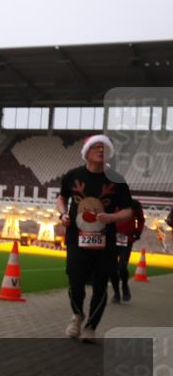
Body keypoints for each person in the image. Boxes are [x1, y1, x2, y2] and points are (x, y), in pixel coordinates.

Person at [57, 134, 133, 343]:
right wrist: (63, 215)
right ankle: (77, 315)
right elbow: (62, 198)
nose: (101, 150)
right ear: (87, 152)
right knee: (75, 280)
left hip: (105, 242)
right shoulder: (72, 175)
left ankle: (91, 326)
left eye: (104, 147)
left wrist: (111, 217)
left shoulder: (117, 180)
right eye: (96, 147)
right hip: (76, 239)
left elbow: (128, 211)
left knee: (100, 284)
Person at [111, 198, 145, 303]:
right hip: (111, 238)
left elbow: (141, 219)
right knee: (112, 268)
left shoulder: (134, 204)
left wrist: (138, 231)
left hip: (127, 239)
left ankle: (125, 286)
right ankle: (116, 293)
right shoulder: (112, 202)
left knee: (122, 266)